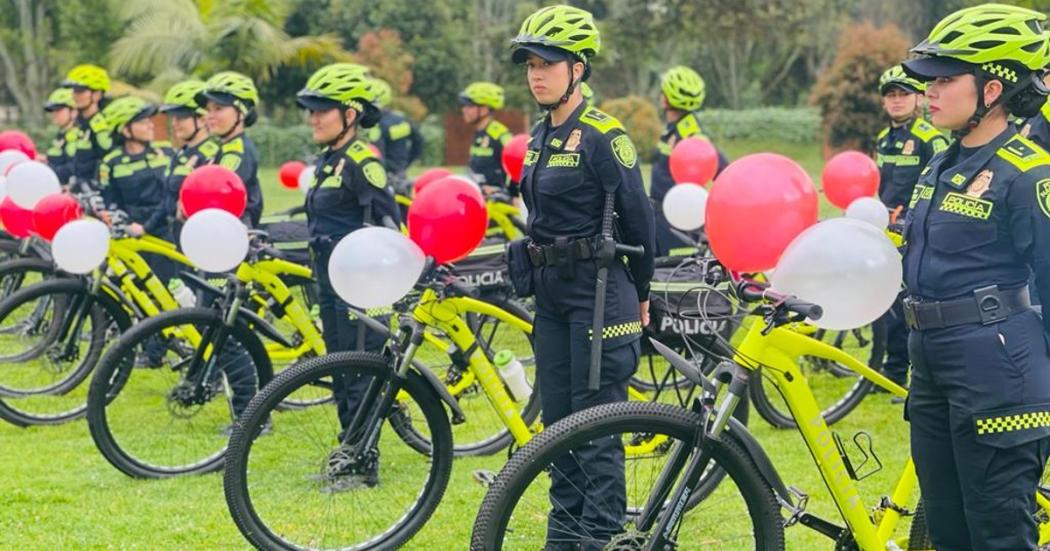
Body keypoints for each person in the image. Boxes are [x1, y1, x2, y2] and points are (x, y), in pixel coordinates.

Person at [900, 4, 1050, 549]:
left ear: (992, 90)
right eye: (930, 80)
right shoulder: (939, 164)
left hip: (998, 372)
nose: (930, 91)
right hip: (931, 365)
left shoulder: (1028, 173)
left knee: (998, 534)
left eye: (945, 79)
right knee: (946, 530)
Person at [508, 5, 655, 548]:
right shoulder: (538, 138)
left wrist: (641, 294)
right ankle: (563, 539)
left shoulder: (603, 136)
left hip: (600, 293)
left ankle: (600, 539)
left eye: (548, 62)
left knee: (595, 432)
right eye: (529, 63)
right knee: (559, 427)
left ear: (578, 69)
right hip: (551, 294)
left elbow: (640, 220)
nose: (536, 73)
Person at [296, 63, 400, 488]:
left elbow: (390, 223)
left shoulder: (361, 161)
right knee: (340, 369)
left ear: (350, 115)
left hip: (362, 284)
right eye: (312, 111)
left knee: (361, 373)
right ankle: (349, 447)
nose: (313, 118)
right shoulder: (329, 161)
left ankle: (364, 463)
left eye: (323, 110)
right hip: (331, 280)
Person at [873, 65, 949, 394]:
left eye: (904, 94)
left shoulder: (930, 139)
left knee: (910, 306)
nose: (897, 100)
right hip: (883, 232)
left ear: (919, 98)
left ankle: (908, 375)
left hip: (915, 235)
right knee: (886, 307)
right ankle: (888, 375)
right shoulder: (881, 140)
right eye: (891, 95)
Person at [649, 65, 729, 256]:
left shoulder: (690, 134)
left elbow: (722, 168)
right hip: (660, 215)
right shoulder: (674, 128)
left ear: (666, 99)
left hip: (678, 220)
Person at [195, 71, 263, 227]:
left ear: (242, 113)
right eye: (209, 109)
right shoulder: (226, 147)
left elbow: (219, 197)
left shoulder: (236, 151)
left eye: (218, 108)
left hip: (230, 236)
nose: (210, 116)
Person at [159, 79, 219, 240]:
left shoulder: (210, 155)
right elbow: (167, 200)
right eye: (173, 117)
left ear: (201, 119)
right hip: (175, 233)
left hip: (199, 237)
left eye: (181, 118)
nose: (174, 123)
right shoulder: (181, 153)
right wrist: (146, 227)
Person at [366, 77, 423, 194]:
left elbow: (378, 155)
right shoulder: (402, 119)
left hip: (387, 178)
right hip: (401, 174)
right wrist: (406, 163)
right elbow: (419, 141)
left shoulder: (376, 124)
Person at [62, 64, 112, 191]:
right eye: (74, 91)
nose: (75, 95)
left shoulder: (101, 124)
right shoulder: (78, 124)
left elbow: (107, 158)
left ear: (97, 94)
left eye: (80, 91)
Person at [459, 81, 513, 195]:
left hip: (500, 203)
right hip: (480, 200)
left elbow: (518, 165)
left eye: (469, 106)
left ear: (485, 109)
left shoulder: (500, 135)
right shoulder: (479, 133)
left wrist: (512, 193)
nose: (464, 110)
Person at [42, 88, 80, 186]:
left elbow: (73, 168)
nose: (54, 114)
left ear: (73, 111)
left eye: (59, 110)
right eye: (53, 111)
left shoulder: (77, 136)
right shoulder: (61, 134)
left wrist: (46, 169)